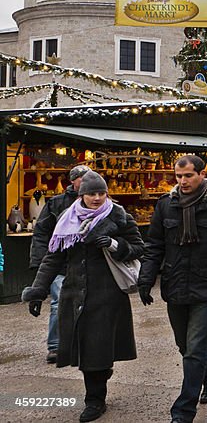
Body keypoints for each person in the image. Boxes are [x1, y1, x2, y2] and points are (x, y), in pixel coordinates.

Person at [21, 171, 144, 423]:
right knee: (87, 348)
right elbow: (52, 257)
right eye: (91, 193)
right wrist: (38, 291)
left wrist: (113, 244)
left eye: (101, 193)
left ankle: (94, 401)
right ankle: (100, 378)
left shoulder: (119, 216)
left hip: (107, 294)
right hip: (75, 292)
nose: (97, 198)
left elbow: (140, 247)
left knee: (96, 349)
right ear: (81, 195)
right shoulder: (67, 220)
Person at [137, 155, 207, 423]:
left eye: (188, 176)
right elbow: (154, 246)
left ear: (201, 174)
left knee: (195, 348)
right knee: (184, 346)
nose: (183, 181)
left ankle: (183, 412)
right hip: (175, 285)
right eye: (179, 176)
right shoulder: (166, 205)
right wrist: (145, 279)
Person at [30, 164, 90, 364]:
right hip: (61, 264)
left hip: (87, 264)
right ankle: (55, 346)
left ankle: (82, 345)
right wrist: (38, 265)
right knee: (58, 304)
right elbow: (41, 234)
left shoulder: (98, 202)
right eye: (82, 178)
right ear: (73, 181)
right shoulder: (56, 203)